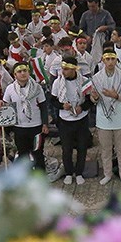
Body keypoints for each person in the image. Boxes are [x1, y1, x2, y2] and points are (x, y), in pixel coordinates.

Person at [91, 49, 121, 185]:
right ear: (103, 61)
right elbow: (93, 98)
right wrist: (94, 98)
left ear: (116, 60)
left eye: (112, 59)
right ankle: (107, 174)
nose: (110, 62)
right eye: (107, 59)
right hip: (103, 119)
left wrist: (116, 96)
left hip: (120, 118)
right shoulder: (96, 78)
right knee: (106, 149)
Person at [50, 55, 92, 184]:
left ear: (74, 69)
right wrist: (63, 106)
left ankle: (79, 172)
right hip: (65, 121)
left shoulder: (84, 81)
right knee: (66, 149)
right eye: (63, 68)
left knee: (82, 147)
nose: (63, 71)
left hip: (81, 120)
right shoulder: (58, 82)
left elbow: (90, 100)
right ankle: (68, 172)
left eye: (67, 69)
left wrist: (82, 107)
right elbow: (53, 100)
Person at [1, 61, 49, 171]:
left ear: (28, 72)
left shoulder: (37, 88)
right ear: (15, 74)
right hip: (19, 127)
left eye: (25, 71)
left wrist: (45, 123)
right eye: (19, 71)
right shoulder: (10, 89)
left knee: (37, 152)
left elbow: (43, 107)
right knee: (23, 153)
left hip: (36, 126)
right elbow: (6, 106)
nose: (23, 73)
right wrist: (0, 104)